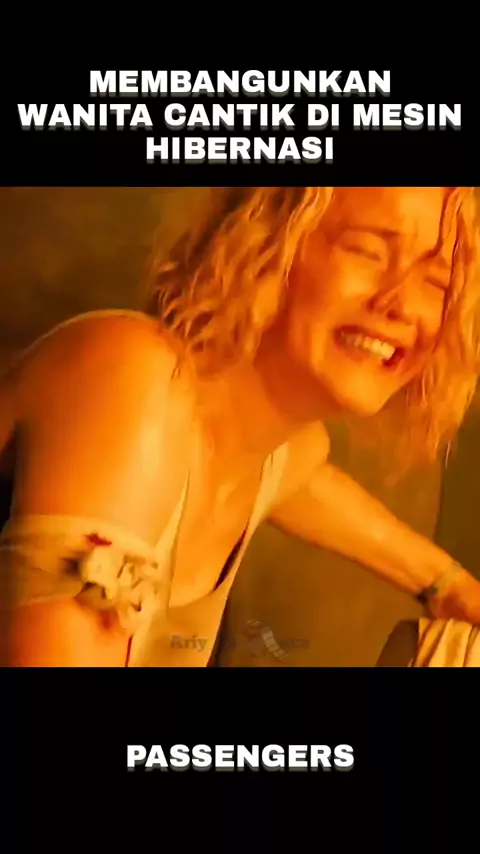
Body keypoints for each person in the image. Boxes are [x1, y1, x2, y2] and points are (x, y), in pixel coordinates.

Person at [1, 186, 480, 668]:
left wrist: (445, 583)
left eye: (437, 283)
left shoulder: (264, 452)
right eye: (367, 251)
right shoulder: (128, 379)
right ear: (266, 242)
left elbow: (306, 482)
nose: (401, 304)